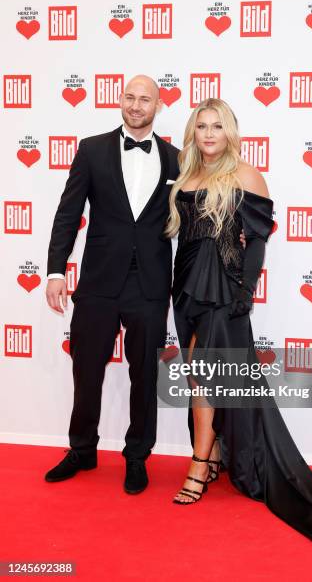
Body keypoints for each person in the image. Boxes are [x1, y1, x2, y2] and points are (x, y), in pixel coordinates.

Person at [164, 98, 312, 541]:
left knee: (204, 374)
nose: (209, 134)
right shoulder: (185, 173)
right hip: (186, 288)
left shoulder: (246, 175)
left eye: (218, 126)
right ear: (192, 133)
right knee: (201, 378)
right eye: (202, 126)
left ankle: (198, 466)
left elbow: (255, 241)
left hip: (222, 289)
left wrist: (244, 290)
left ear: (230, 132)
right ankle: (212, 452)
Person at [45, 75, 180, 494]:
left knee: (144, 374)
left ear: (158, 106)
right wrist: (54, 272)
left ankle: (137, 455)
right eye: (130, 97)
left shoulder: (178, 158)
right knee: (86, 370)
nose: (136, 105)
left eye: (145, 99)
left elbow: (192, 219)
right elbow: (68, 214)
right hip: (100, 280)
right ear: (120, 101)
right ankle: (82, 449)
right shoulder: (92, 149)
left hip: (150, 282)